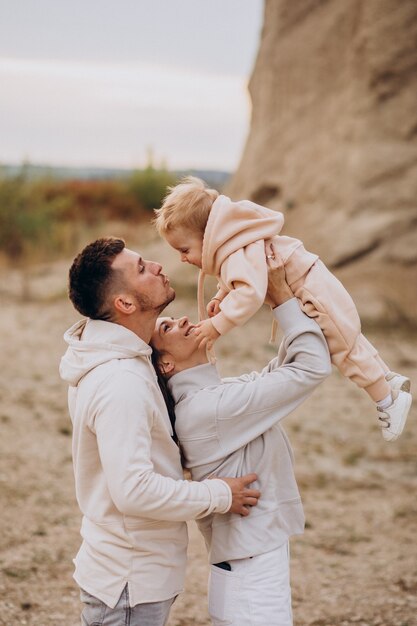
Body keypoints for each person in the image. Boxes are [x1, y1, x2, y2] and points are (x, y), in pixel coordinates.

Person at [59, 237, 261, 626]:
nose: (156, 265)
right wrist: (220, 495)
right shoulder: (121, 380)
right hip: (129, 581)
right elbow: (133, 490)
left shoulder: (121, 359)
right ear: (125, 304)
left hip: (132, 573)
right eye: (140, 268)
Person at [153, 177, 412, 442]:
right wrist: (222, 295)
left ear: (209, 237)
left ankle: (387, 401)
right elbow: (243, 277)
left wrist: (217, 325)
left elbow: (250, 292)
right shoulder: (235, 244)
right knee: (348, 336)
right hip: (310, 281)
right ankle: (387, 380)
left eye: (184, 249)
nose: (182, 258)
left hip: (310, 287)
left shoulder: (234, 250)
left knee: (342, 345)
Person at [150, 251, 332, 626]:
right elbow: (311, 366)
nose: (184, 318)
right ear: (166, 365)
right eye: (167, 328)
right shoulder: (209, 409)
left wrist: (266, 299)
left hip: (249, 563)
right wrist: (281, 299)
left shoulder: (213, 397)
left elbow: (280, 372)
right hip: (251, 576)